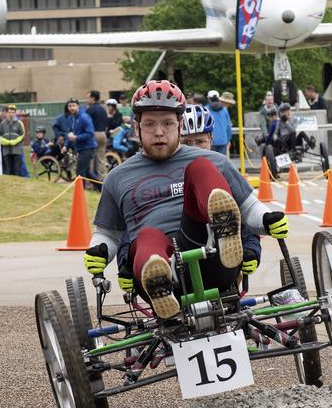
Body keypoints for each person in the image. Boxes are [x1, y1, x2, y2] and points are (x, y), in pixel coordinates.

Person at [84, 80, 287, 319]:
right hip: (154, 269)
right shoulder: (117, 177)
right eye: (150, 124)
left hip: (210, 257)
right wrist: (99, 251)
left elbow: (249, 207)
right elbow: (108, 234)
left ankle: (224, 230)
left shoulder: (216, 161)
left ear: (180, 125)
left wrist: (266, 219)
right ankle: (159, 280)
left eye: (167, 123)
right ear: (136, 127)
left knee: (201, 167)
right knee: (147, 237)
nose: (159, 132)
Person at [180, 104, 261, 278]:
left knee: (230, 209)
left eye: (200, 142)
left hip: (220, 260)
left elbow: (245, 216)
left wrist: (251, 251)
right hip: (180, 256)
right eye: (187, 143)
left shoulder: (223, 165)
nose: (194, 149)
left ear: (210, 139)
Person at [52, 97, 97, 186]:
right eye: (69, 106)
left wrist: (77, 138)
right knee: (87, 173)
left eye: (73, 105)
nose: (71, 108)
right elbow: (70, 134)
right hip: (81, 148)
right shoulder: (72, 118)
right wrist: (66, 145)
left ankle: (81, 192)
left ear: (78, 106)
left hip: (88, 148)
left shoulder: (84, 117)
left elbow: (90, 133)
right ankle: (102, 188)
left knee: (80, 171)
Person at [86, 90, 109, 178]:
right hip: (103, 134)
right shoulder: (103, 109)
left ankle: (91, 179)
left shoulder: (90, 109)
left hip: (93, 134)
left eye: (88, 98)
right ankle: (102, 178)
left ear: (93, 98)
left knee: (91, 158)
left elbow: (86, 123)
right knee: (101, 158)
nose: (87, 100)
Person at [0, 104, 25, 176]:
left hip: (17, 151)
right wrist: (6, 142)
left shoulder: (19, 123)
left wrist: (15, 141)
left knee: (17, 171)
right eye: (9, 112)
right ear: (7, 113)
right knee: (7, 171)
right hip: (6, 151)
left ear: (15, 113)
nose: (11, 114)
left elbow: (22, 135)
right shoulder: (2, 124)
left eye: (13, 112)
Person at [207, 90, 234, 156]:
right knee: (221, 160)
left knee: (211, 160)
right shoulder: (224, 110)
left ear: (208, 98)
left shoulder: (205, 109)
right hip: (223, 140)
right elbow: (228, 126)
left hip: (210, 140)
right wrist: (228, 139)